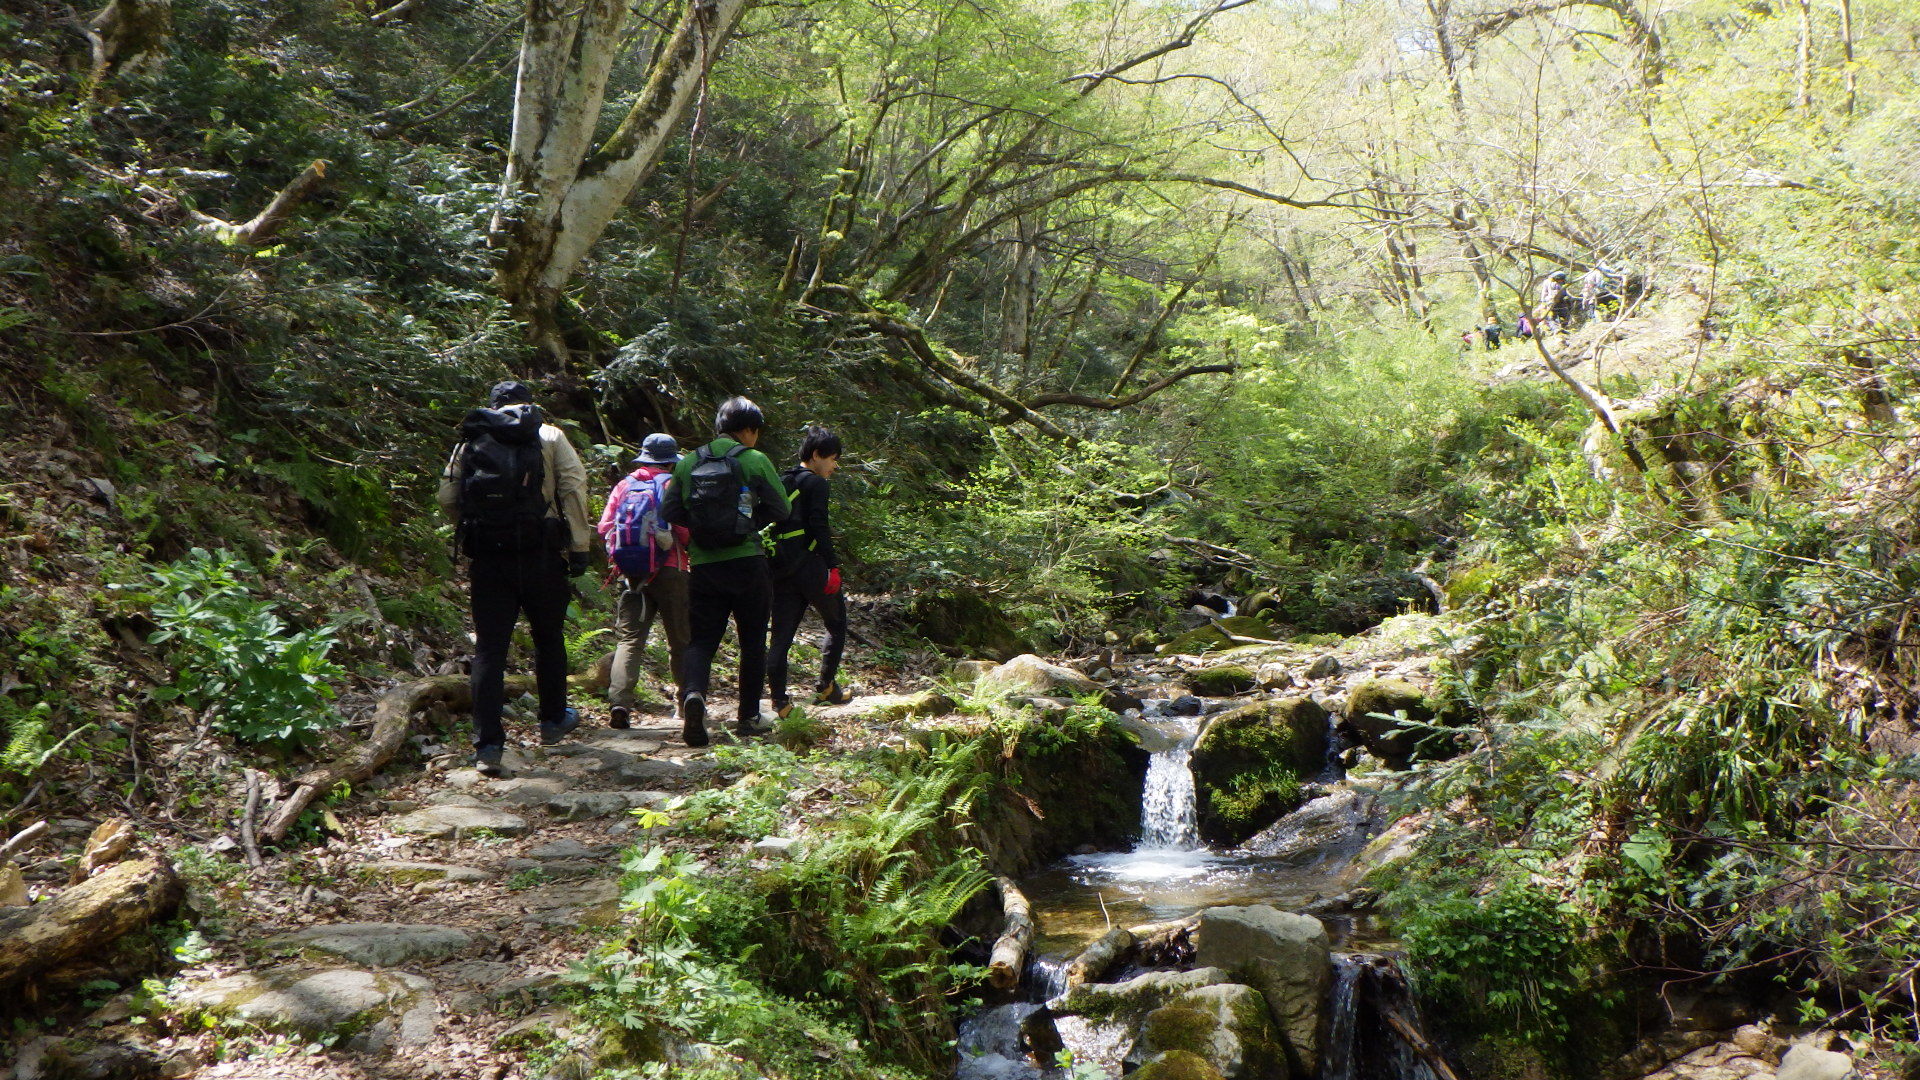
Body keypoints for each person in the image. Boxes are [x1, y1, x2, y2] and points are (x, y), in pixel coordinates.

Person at [437, 380, 593, 777]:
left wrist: (480, 528)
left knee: (490, 649)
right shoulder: (550, 435)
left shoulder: (472, 437)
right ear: (529, 404)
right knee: (548, 636)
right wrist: (578, 546)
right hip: (541, 553)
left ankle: (488, 745)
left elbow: (447, 497)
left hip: (489, 558)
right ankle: (553, 720)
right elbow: (573, 489)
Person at [661, 397, 790, 747]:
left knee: (701, 641)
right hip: (747, 562)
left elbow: (669, 509)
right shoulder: (754, 460)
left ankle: (693, 696)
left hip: (703, 566)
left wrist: (702, 531)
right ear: (748, 430)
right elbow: (782, 507)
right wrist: (746, 525)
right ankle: (748, 716)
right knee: (752, 642)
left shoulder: (688, 462)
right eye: (756, 432)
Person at [596, 432, 691, 731]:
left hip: (633, 574)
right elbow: (685, 531)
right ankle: (685, 703)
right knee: (680, 641)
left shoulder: (625, 485)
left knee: (630, 640)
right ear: (670, 461)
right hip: (671, 569)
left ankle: (620, 703)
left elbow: (604, 528)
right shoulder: (673, 484)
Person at [768, 426, 851, 719]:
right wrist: (833, 566)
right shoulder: (817, 484)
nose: (835, 465)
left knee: (780, 637)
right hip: (812, 567)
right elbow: (818, 526)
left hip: (781, 568)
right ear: (816, 456)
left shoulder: (782, 480)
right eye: (832, 458)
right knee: (837, 622)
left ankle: (779, 702)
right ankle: (826, 687)